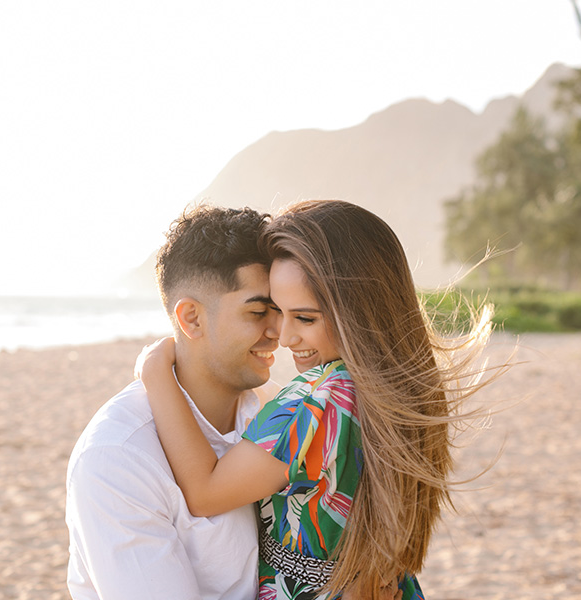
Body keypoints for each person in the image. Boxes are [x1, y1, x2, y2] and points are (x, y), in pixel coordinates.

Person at [138, 199, 496, 600]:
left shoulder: (313, 399)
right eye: (275, 312)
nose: (285, 336)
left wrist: (155, 372)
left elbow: (205, 493)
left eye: (305, 318)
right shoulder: (403, 388)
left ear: (358, 310)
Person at [65, 205, 282, 599]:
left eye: (281, 312)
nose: (277, 331)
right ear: (192, 319)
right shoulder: (118, 456)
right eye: (258, 312)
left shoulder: (275, 413)